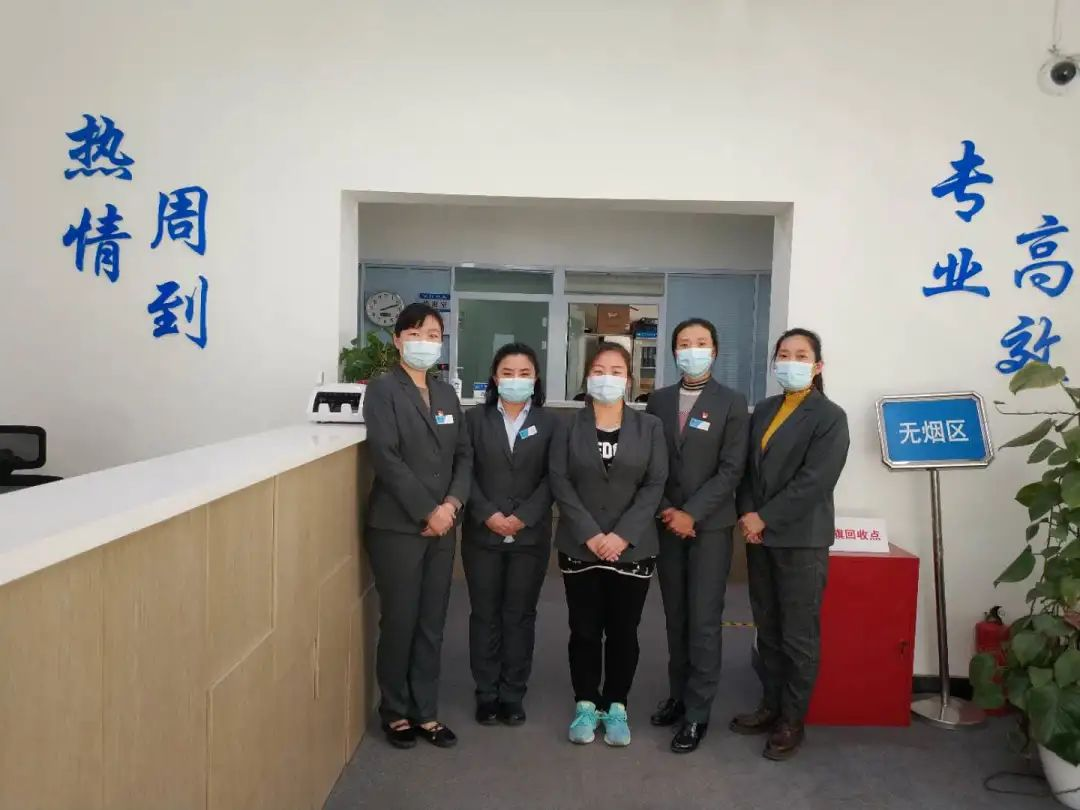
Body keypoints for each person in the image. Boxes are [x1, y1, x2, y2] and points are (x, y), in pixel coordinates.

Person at [730, 328, 850, 761]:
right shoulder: (765, 409)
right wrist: (748, 514)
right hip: (759, 537)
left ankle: (792, 719)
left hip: (801, 540)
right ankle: (771, 704)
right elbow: (747, 470)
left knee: (798, 634)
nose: (791, 362)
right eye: (784, 354)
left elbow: (814, 481)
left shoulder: (829, 416)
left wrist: (764, 517)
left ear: (817, 366)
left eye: (801, 355)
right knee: (769, 627)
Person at [362, 303, 472, 750]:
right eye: (415, 334)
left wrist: (451, 504)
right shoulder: (383, 391)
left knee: (432, 622)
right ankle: (395, 711)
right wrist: (428, 511)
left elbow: (463, 456)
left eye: (433, 336)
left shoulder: (446, 394)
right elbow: (386, 457)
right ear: (397, 339)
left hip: (443, 526)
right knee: (401, 620)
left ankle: (425, 711)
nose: (425, 342)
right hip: (398, 527)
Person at [549, 342, 668, 748]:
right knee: (583, 630)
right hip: (580, 545)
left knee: (623, 631)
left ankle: (616, 705)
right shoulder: (567, 427)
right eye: (599, 370)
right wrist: (591, 534)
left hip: (632, 547)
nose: (607, 378)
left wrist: (621, 535)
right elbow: (560, 481)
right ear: (587, 376)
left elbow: (654, 484)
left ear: (629, 380)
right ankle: (585, 703)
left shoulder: (650, 427)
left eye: (616, 371)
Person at [645, 318, 749, 753]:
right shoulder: (658, 400)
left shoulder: (732, 402)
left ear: (715, 350)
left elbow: (732, 469)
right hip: (668, 523)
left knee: (704, 619)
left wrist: (693, 513)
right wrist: (670, 509)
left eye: (701, 343)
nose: (692, 350)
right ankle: (678, 695)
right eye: (684, 344)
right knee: (676, 616)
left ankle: (698, 712)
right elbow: (651, 461)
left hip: (710, 527)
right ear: (674, 352)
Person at [463, 343, 555, 727]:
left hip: (530, 537)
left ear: (536, 379)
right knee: (485, 614)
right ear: (494, 377)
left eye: (524, 373)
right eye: (507, 373)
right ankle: (486, 694)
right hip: (482, 534)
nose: (516, 380)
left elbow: (554, 477)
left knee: (519, 615)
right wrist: (488, 514)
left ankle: (513, 693)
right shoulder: (473, 420)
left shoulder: (552, 423)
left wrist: (523, 517)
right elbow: (464, 471)